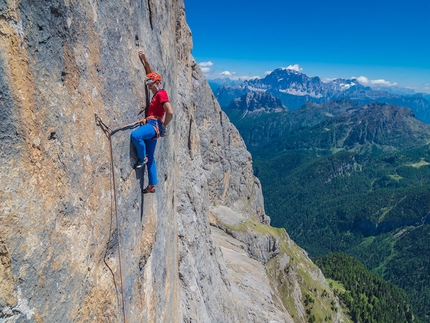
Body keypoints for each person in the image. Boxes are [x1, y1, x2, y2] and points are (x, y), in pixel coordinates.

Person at [131, 50, 173, 194]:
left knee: (136, 136)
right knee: (152, 158)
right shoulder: (157, 92)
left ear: (158, 83)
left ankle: (142, 159)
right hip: (155, 127)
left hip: (154, 125)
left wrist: (163, 126)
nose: (149, 88)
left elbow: (170, 111)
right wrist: (144, 59)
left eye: (151, 85)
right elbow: (151, 74)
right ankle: (152, 185)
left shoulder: (161, 94)